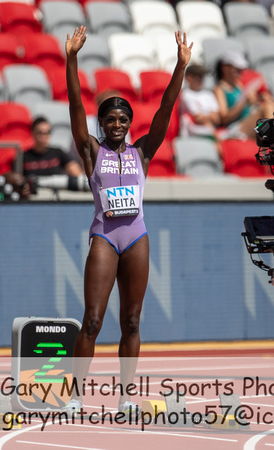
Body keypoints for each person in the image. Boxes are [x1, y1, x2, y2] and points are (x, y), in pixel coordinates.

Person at [63, 25, 192, 415]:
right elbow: (73, 107)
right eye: (110, 120)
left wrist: (180, 68)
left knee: (132, 322)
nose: (117, 124)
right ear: (101, 124)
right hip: (105, 237)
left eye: (123, 119)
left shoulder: (144, 152)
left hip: (137, 237)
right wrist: (71, 60)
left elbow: (166, 110)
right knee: (92, 320)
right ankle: (74, 395)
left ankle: (125, 396)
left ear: (129, 123)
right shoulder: (90, 151)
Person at [5, 116, 83, 198]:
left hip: (55, 197)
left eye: (47, 132)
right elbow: (15, 180)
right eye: (40, 133)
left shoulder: (58, 153)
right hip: (32, 197)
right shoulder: (23, 156)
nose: (44, 136)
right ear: (32, 133)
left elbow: (76, 173)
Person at [213, 50, 274, 140]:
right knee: (267, 108)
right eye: (237, 70)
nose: (240, 73)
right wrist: (244, 102)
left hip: (247, 122)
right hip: (235, 128)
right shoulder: (219, 89)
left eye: (241, 70)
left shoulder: (238, 84)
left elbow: (250, 105)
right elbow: (224, 118)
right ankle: (272, 142)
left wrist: (258, 99)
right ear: (225, 68)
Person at [179, 63, 220, 139]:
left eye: (202, 76)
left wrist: (205, 118)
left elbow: (217, 119)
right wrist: (210, 117)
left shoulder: (209, 94)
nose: (201, 79)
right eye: (198, 76)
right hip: (193, 134)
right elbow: (198, 118)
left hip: (210, 132)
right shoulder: (185, 95)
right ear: (189, 78)